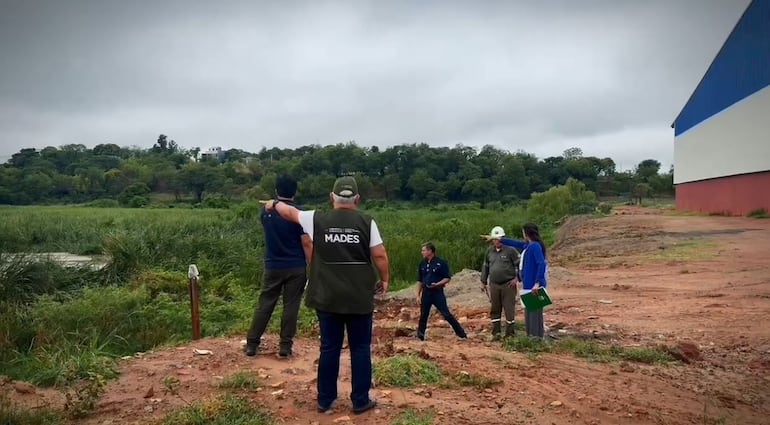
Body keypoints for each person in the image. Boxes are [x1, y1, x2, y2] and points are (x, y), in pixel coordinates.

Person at [262, 175, 389, 415]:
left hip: (327, 295)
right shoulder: (367, 221)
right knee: (360, 348)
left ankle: (325, 400)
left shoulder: (316, 218)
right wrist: (384, 279)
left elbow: (289, 213)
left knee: (329, 347)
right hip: (358, 297)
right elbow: (380, 255)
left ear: (332, 197)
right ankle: (360, 400)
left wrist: (273, 204)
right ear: (357, 199)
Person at [245, 175, 312, 358]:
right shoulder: (299, 214)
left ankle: (252, 344)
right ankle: (285, 347)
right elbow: (306, 243)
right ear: (295, 192)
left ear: (276, 191)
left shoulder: (266, 212)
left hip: (273, 264)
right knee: (291, 306)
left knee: (265, 304)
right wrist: (312, 266)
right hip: (296, 266)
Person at [484, 223, 548, 338]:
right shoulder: (528, 246)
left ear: (526, 233)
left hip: (534, 286)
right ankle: (532, 337)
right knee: (530, 312)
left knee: (535, 314)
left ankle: (536, 338)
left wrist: (537, 282)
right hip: (528, 285)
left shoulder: (535, 246)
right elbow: (514, 243)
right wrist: (498, 238)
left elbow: (541, 263)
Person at [416, 242, 467, 341]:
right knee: (423, 314)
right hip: (426, 292)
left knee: (446, 313)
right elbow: (420, 280)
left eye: (424, 250)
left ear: (430, 251)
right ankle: (420, 335)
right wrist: (418, 295)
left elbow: (447, 278)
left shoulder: (441, 263)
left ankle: (461, 333)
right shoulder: (422, 264)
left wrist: (438, 284)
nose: (422, 252)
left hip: (437, 292)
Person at [480, 226, 520, 341]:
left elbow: (519, 265)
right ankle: (496, 332)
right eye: (494, 239)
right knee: (495, 308)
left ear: (503, 238)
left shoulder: (511, 250)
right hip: (494, 284)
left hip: (508, 284)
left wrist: (517, 278)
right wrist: (483, 281)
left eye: (498, 239)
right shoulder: (489, 251)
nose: (496, 241)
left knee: (509, 308)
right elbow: (486, 266)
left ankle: (510, 333)